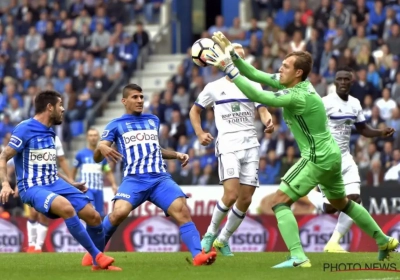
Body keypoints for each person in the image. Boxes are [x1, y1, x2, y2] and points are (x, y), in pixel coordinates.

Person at [206, 32, 399, 268]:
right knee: (343, 204)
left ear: (298, 72)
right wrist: (234, 57)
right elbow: (256, 75)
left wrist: (229, 70)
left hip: (316, 157)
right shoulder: (297, 84)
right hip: (331, 156)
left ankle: (298, 256)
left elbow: (257, 94)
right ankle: (384, 240)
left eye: (285, 66)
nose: (280, 68)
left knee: (279, 202)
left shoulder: (296, 96)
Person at [81, 84, 217, 266]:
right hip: (134, 180)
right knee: (118, 214)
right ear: (124, 101)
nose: (140, 101)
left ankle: (197, 256)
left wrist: (176, 154)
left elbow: (155, 149)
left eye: (141, 97)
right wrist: (101, 147)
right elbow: (98, 157)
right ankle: (94, 254)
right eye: (135, 97)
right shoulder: (116, 125)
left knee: (182, 210)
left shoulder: (153, 120)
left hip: (159, 178)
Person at [0, 90, 120, 271]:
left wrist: (71, 183)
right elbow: (4, 155)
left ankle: (94, 261)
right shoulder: (25, 129)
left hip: (54, 182)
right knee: (66, 207)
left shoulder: (51, 134)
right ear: (50, 107)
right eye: (60, 105)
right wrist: (5, 183)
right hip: (32, 187)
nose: (63, 109)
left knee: (93, 216)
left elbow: (51, 169)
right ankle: (98, 257)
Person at [189, 43, 274, 256]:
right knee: (231, 194)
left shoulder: (252, 85)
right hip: (228, 144)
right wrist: (199, 133)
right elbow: (194, 111)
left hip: (251, 145)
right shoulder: (213, 87)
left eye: (242, 58)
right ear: (226, 59)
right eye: (236, 57)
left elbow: (262, 109)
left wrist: (268, 121)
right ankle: (209, 233)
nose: (240, 61)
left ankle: (223, 239)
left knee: (246, 199)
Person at [307, 67, 395, 252]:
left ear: (351, 83)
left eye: (347, 79)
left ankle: (333, 243)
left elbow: (362, 129)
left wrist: (380, 132)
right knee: (331, 207)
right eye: (340, 79)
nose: (343, 82)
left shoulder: (355, 103)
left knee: (354, 199)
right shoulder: (325, 102)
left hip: (345, 158)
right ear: (335, 82)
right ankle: (309, 194)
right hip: (326, 159)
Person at [26, 135, 73, 253]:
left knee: (43, 213)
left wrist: (70, 179)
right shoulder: (29, 136)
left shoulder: (54, 138)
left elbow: (61, 159)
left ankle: (38, 247)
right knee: (33, 212)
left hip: (50, 182)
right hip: (33, 181)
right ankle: (31, 244)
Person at [72, 127, 118, 219]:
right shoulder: (80, 154)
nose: (93, 137)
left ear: (98, 137)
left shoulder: (102, 156)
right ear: (87, 137)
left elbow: (107, 171)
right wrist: (72, 184)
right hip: (86, 189)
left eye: (95, 135)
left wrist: (113, 184)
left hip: (99, 190)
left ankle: (95, 233)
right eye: (90, 135)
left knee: (99, 215)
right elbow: (73, 170)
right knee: (90, 212)